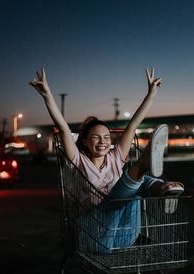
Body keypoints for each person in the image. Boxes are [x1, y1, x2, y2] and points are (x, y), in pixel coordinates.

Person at [29, 68, 184, 252]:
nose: (103, 141)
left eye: (107, 137)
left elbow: (133, 124)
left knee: (132, 189)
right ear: (84, 141)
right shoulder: (77, 161)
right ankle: (144, 167)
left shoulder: (115, 157)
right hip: (94, 235)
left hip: (125, 234)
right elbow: (63, 128)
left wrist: (151, 94)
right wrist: (47, 95)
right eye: (96, 137)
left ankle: (162, 189)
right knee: (127, 187)